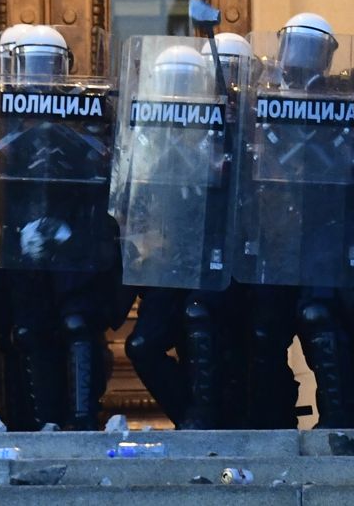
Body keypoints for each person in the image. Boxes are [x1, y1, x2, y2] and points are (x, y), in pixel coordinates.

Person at [236, 14, 354, 428]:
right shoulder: (260, 101)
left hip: (323, 233)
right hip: (273, 232)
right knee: (265, 330)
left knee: (321, 321)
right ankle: (269, 421)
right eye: (295, 48)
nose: (299, 61)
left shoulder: (342, 100)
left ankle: (342, 421)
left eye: (310, 51)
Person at [0, 25, 119, 430]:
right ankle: (44, 422)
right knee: (27, 330)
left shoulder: (89, 111)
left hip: (79, 236)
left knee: (79, 324)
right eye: (30, 65)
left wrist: (68, 228)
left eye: (46, 65)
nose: (38, 76)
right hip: (17, 240)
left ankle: (82, 419)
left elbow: (107, 173)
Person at [118, 37, 236, 429]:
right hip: (166, 263)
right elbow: (135, 200)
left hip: (211, 261)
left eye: (185, 84)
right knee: (141, 344)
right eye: (171, 83)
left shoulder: (222, 137)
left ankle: (204, 418)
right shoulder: (146, 141)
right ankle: (186, 415)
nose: (178, 95)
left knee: (198, 319)